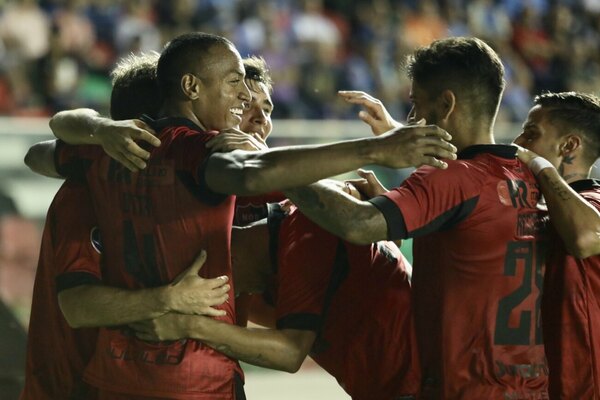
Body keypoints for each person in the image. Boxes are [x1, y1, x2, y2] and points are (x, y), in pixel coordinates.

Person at [48, 32, 456, 399]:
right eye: (237, 91)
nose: (253, 113)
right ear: (190, 91)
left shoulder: (297, 207)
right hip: (178, 380)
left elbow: (44, 150)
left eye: (265, 105)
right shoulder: (198, 160)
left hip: (415, 379)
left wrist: (98, 131)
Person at [283, 37, 549, 399]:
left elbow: (358, 224)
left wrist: (278, 171)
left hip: (466, 389)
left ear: (446, 104)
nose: (410, 119)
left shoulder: (451, 180)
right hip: (533, 387)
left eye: (415, 104)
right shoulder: (524, 175)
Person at [21, 52, 230, 400]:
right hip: (74, 386)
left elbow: (41, 151)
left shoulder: (168, 189)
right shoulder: (86, 190)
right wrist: (170, 299)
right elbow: (78, 306)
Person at [130, 194, 420, 400]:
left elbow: (290, 353)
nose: (220, 302)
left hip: (420, 386)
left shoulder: (306, 233)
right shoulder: (269, 269)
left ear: (208, 261)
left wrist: (188, 326)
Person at [513, 92, 600, 399]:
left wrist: (541, 167)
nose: (520, 142)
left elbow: (584, 238)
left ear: (568, 146)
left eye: (531, 134)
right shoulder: (538, 208)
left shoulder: (594, 204)